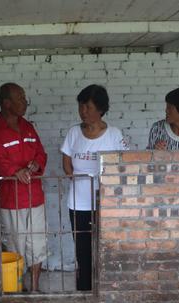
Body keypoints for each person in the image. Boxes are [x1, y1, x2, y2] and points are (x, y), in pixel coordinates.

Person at [61, 84, 128, 291]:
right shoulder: (74, 133)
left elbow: (122, 164)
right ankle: (84, 290)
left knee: (104, 247)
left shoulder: (114, 134)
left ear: (100, 109)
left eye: (88, 107)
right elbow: (66, 162)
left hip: (105, 203)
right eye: (81, 107)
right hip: (77, 202)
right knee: (82, 249)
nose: (83, 112)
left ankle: (105, 288)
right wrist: (78, 178)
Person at [0, 83, 48, 293]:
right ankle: (18, 289)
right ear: (6, 103)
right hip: (11, 200)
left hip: (34, 196)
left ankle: (35, 288)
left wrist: (37, 164)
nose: (25, 102)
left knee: (37, 243)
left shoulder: (28, 126)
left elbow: (41, 153)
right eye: (20, 98)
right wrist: (14, 171)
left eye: (24, 98)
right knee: (15, 245)